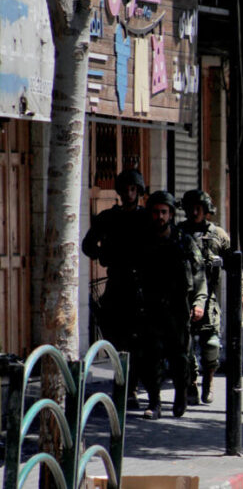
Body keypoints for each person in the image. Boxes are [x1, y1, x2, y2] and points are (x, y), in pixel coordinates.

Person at [82, 168, 149, 409]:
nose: (129, 194)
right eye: (125, 190)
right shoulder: (108, 218)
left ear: (139, 191)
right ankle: (123, 386)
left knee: (139, 342)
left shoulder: (147, 218)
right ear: (119, 192)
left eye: (133, 189)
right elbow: (88, 244)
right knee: (114, 337)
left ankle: (132, 388)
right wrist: (104, 254)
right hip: (117, 283)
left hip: (142, 287)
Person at [138, 191, 207, 420]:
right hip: (151, 307)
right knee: (152, 356)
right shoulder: (144, 239)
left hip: (177, 308)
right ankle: (155, 402)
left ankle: (180, 397)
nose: (160, 216)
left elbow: (198, 273)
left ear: (171, 214)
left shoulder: (183, 240)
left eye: (164, 212)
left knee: (180, 357)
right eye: (156, 212)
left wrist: (198, 302)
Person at [177, 190, 233, 406]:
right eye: (191, 207)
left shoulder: (218, 234)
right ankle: (191, 383)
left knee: (211, 345)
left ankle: (208, 380)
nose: (194, 211)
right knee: (186, 348)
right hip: (182, 299)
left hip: (209, 299)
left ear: (207, 209)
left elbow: (234, 265)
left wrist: (242, 291)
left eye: (199, 207)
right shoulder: (179, 233)